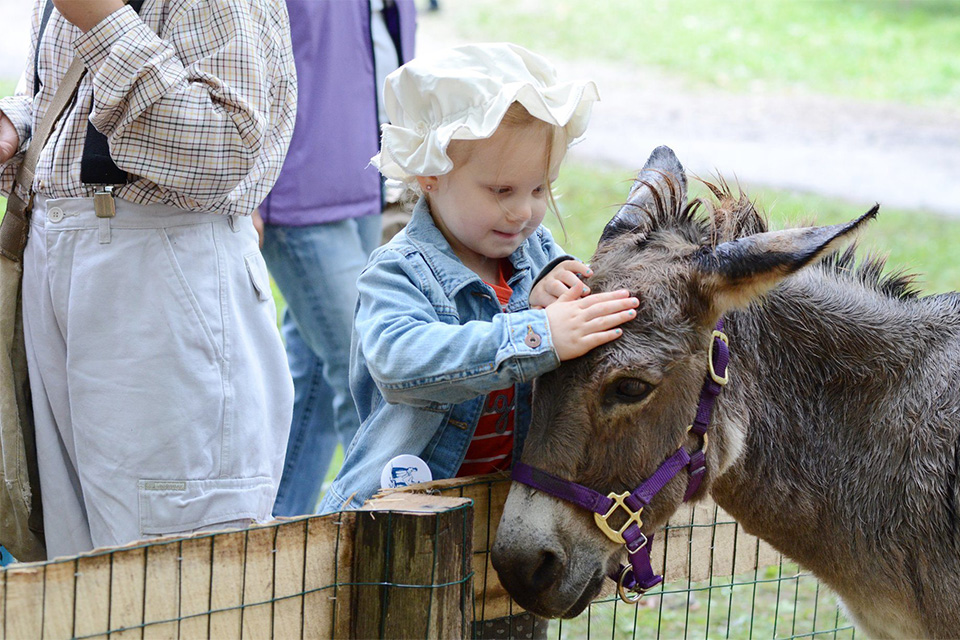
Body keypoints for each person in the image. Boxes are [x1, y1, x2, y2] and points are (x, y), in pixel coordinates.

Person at [0, 0, 296, 558]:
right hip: (73, 262)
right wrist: (18, 127)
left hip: (161, 273)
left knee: (173, 564)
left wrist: (104, 19)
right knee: (79, 571)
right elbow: (63, 93)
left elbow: (226, 148)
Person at [318, 43, 640, 515]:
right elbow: (399, 361)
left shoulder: (537, 252)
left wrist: (565, 292)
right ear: (430, 173)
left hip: (511, 513)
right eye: (501, 190)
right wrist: (538, 333)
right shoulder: (399, 270)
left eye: (538, 188)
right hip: (400, 515)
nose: (524, 211)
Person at [254, 0, 416, 517]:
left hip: (363, 174)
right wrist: (251, 191)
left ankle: (280, 537)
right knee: (367, 376)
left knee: (317, 383)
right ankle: (369, 550)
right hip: (297, 186)